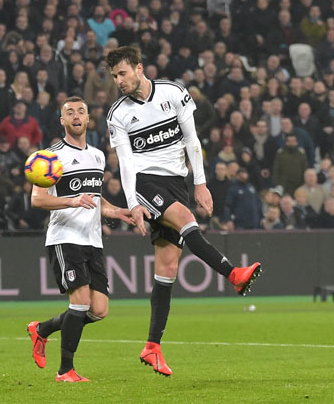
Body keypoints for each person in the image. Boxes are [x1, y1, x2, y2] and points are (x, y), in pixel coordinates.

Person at [104, 46, 261, 376]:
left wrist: (201, 184)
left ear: (138, 68)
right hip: (147, 183)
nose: (118, 81)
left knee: (167, 267)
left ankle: (152, 346)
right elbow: (127, 163)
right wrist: (133, 202)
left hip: (177, 182)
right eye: (114, 76)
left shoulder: (173, 93)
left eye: (122, 73)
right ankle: (234, 275)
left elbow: (191, 140)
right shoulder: (118, 115)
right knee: (187, 221)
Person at [26, 96, 136, 382]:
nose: (76, 116)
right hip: (65, 237)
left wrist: (117, 211)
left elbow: (95, 200)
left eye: (81, 112)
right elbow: (38, 200)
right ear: (62, 121)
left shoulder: (98, 156)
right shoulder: (50, 158)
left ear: (88, 119)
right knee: (80, 303)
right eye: (69, 112)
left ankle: (42, 330)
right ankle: (65, 371)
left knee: (98, 310)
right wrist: (72, 202)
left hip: (92, 240)